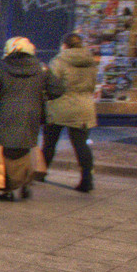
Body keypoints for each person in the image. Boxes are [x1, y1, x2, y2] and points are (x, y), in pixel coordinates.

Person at [0, 37, 65, 201]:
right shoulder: (41, 68)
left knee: (6, 152)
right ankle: (24, 183)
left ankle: (8, 189)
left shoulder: (0, 69)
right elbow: (58, 89)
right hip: (31, 115)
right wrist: (41, 95)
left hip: (4, 116)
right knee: (25, 148)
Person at [42, 32, 98, 192]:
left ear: (65, 45)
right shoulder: (91, 61)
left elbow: (52, 84)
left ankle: (41, 172)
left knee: (49, 143)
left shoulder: (59, 61)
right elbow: (93, 84)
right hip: (84, 107)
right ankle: (87, 180)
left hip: (60, 106)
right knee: (81, 145)